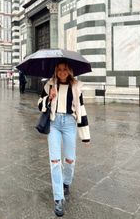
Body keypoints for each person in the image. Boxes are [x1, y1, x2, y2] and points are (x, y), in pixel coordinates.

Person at [38, 62, 90, 217]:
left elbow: (81, 109)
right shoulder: (50, 85)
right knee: (55, 162)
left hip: (69, 124)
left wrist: (85, 135)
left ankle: (66, 182)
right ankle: (58, 198)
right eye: (59, 70)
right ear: (56, 71)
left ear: (69, 71)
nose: (62, 72)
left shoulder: (76, 87)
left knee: (70, 160)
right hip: (54, 124)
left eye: (65, 70)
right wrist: (49, 98)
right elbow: (39, 104)